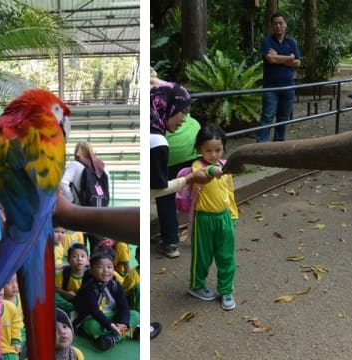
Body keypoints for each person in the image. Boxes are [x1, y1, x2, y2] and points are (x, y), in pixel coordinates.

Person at [186, 123, 239, 311]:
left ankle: (226, 290)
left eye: (218, 150)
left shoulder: (226, 168)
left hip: (224, 218)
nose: (214, 155)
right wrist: (211, 170)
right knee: (202, 256)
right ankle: (196, 285)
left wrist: (233, 214)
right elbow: (201, 174)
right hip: (203, 219)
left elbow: (230, 192)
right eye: (208, 150)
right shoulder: (197, 166)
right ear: (200, 149)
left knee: (226, 256)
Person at [150, 82, 195, 258]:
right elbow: (157, 191)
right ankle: (170, 242)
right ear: (167, 106)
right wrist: (188, 179)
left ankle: (169, 242)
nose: (184, 119)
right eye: (182, 112)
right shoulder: (157, 142)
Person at [73, 252, 139, 351]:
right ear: (91, 269)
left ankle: (114, 338)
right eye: (100, 267)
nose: (105, 270)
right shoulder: (88, 288)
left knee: (135, 315)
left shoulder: (116, 285)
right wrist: (110, 325)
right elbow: (94, 311)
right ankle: (129, 333)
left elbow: (123, 307)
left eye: (109, 267)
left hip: (112, 316)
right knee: (91, 326)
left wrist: (123, 322)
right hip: (95, 318)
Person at [256, 12, 301, 143]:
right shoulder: (267, 41)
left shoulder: (291, 42)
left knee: (283, 117)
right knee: (267, 116)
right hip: (271, 87)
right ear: (271, 25)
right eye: (275, 23)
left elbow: (298, 63)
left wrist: (278, 58)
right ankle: (261, 146)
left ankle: (279, 143)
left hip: (288, 86)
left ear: (285, 25)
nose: (278, 26)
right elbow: (270, 59)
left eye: (280, 23)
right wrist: (289, 58)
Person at [60, 141, 110, 250]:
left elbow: (63, 182)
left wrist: (71, 199)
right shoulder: (102, 166)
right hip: (99, 213)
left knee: (79, 249)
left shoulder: (75, 165)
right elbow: (106, 188)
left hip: (79, 212)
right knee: (98, 250)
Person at [55, 243, 89, 314]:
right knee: (53, 295)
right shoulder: (64, 272)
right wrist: (66, 293)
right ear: (68, 260)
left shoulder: (90, 274)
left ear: (87, 260)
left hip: (84, 299)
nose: (79, 259)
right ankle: (71, 309)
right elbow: (56, 288)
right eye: (74, 256)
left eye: (83, 256)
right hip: (67, 299)